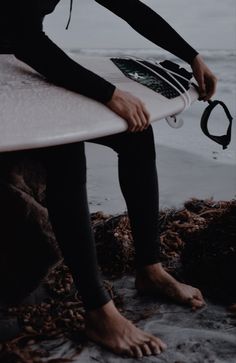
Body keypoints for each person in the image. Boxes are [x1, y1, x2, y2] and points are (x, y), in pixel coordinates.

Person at [0, 0, 218, 358]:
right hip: (18, 58)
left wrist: (191, 56)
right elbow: (27, 40)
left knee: (136, 134)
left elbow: (129, 7)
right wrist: (110, 94)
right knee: (66, 147)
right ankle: (99, 311)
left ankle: (150, 268)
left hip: (17, 60)